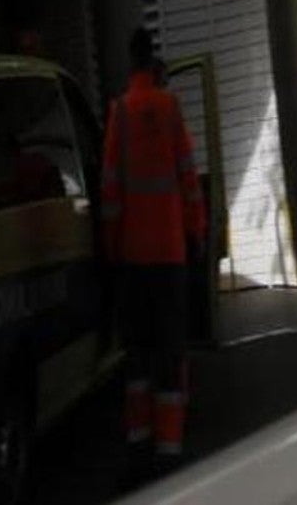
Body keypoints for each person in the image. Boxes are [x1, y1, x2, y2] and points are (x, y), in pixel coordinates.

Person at [101, 28, 206, 474]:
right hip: (169, 254)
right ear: (155, 64)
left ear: (130, 65)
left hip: (133, 258)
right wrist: (197, 233)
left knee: (138, 353)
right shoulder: (170, 108)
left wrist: (110, 250)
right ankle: (170, 445)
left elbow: (109, 193)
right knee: (170, 347)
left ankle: (138, 440)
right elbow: (188, 177)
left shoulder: (120, 114)